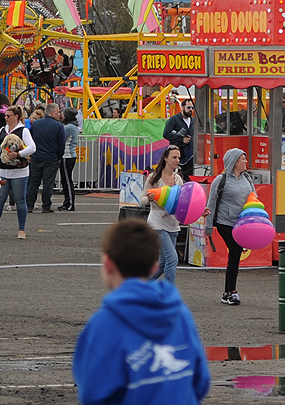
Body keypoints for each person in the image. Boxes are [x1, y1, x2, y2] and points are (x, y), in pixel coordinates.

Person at [73, 220, 210, 405]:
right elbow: (200, 382)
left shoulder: (104, 324)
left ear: (108, 264)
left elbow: (92, 394)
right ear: (155, 266)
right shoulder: (180, 313)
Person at [204, 148, 252, 305]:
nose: (246, 162)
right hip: (225, 223)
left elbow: (254, 198)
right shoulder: (220, 180)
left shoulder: (247, 178)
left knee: (235, 254)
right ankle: (231, 291)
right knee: (235, 251)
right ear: (234, 161)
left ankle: (227, 292)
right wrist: (208, 227)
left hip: (241, 223)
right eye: (243, 159)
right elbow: (211, 204)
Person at [0, 108, 36, 239]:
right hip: (2, 170)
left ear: (16, 116)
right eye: (5, 115)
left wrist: (18, 154)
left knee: (20, 200)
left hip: (19, 171)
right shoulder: (2, 130)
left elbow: (32, 147)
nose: (6, 117)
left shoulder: (24, 130)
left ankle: (21, 229)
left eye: (9, 115)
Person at [145, 144, 185, 286]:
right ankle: (170, 295)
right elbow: (142, 200)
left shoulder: (178, 179)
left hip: (173, 223)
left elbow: (184, 201)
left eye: (179, 158)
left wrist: (200, 211)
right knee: (172, 259)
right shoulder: (154, 178)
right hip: (157, 222)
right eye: (174, 157)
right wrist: (149, 198)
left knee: (163, 262)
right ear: (166, 158)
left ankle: (141, 286)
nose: (177, 160)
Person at [27, 104, 67, 213]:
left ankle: (29, 205)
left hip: (36, 156)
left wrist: (30, 154)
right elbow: (61, 145)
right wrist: (59, 157)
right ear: (52, 112)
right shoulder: (58, 126)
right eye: (58, 112)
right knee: (48, 183)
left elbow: (30, 140)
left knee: (34, 183)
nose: (60, 114)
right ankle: (46, 205)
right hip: (51, 157)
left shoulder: (36, 124)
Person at [163, 99, 196, 178]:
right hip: (178, 152)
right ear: (182, 107)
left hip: (191, 154)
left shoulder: (194, 120)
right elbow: (166, 134)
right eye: (188, 107)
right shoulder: (174, 119)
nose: (190, 110)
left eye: (192, 108)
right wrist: (181, 139)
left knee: (189, 176)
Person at [62, 109, 81, 212]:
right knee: (66, 180)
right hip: (69, 155)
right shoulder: (73, 126)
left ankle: (70, 203)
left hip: (67, 155)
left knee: (67, 181)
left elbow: (61, 137)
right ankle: (67, 202)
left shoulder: (69, 127)